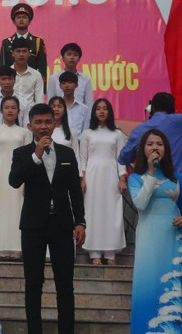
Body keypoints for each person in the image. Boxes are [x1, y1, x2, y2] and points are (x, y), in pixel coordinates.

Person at [9, 103, 85, 334]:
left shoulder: (67, 153)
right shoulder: (22, 153)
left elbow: (75, 191)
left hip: (62, 224)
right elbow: (14, 181)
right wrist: (36, 155)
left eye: (48, 122)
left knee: (65, 284)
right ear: (30, 125)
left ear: (55, 124)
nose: (43, 127)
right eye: (38, 122)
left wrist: (80, 221)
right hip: (33, 225)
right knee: (33, 283)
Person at [128, 129, 182, 332]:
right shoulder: (136, 178)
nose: (155, 148)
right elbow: (140, 204)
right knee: (147, 283)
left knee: (173, 284)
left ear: (166, 149)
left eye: (159, 144)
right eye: (150, 144)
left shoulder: (177, 178)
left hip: (172, 239)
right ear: (143, 149)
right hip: (148, 238)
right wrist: (151, 173)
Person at [79, 99, 127, 265]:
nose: (101, 111)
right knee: (92, 212)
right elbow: (83, 158)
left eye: (105, 108)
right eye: (98, 108)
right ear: (94, 112)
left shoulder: (117, 134)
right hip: (92, 176)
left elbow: (121, 158)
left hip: (111, 176)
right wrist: (82, 178)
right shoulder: (87, 133)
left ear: (109, 112)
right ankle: (94, 253)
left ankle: (110, 254)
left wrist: (122, 178)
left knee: (112, 212)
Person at [0, 96, 29, 260]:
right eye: (7, 107)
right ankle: (1, 248)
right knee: (1, 208)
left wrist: (27, 179)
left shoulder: (24, 132)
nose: (10, 110)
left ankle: (17, 248)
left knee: (18, 209)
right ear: (1, 110)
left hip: (19, 173)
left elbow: (28, 157)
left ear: (18, 111)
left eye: (13, 107)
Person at [118, 92, 182, 185]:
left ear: (152, 109)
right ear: (173, 109)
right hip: (177, 184)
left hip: (150, 186)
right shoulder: (180, 121)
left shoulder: (138, 131)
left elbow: (123, 158)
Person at [0, 3, 47, 82]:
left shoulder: (37, 42)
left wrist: (43, 85)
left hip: (32, 82)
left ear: (29, 21)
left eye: (24, 17)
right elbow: (3, 67)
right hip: (12, 83)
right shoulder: (6, 43)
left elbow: (42, 67)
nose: (21, 19)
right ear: (14, 21)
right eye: (18, 17)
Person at [0, 65, 30, 139]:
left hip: (18, 141)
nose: (7, 82)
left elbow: (27, 127)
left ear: (14, 80)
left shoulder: (24, 102)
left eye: (10, 79)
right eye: (3, 79)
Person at [10, 38, 44, 105]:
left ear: (29, 53)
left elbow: (39, 100)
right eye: (18, 51)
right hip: (11, 110)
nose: (21, 54)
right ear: (13, 53)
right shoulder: (5, 74)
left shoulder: (36, 75)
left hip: (30, 110)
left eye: (24, 51)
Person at [48, 96, 80, 161]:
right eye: (53, 107)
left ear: (64, 110)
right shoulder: (44, 131)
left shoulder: (71, 132)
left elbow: (76, 155)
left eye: (59, 106)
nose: (56, 109)